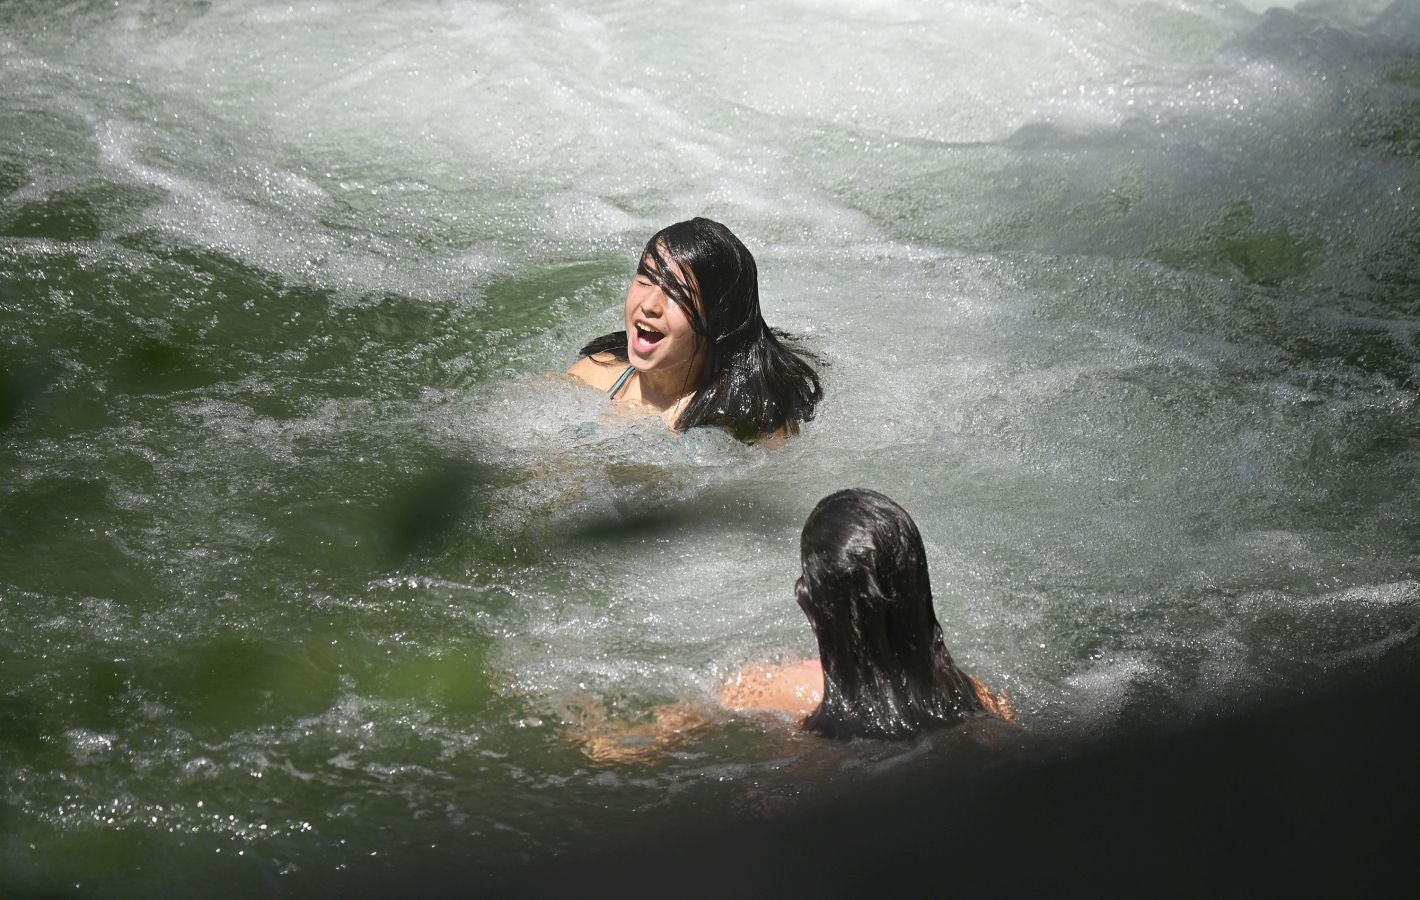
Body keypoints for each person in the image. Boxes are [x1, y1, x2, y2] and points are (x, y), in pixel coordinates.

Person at [572, 489, 1014, 763]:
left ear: (811, 595)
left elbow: (629, 748)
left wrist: (580, 716)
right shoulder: (980, 699)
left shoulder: (772, 688)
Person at [567, 217, 822, 444]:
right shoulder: (593, 377)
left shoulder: (746, 425)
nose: (648, 305)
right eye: (645, 281)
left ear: (718, 317)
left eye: (677, 293)